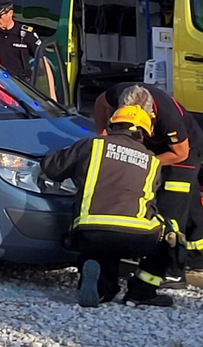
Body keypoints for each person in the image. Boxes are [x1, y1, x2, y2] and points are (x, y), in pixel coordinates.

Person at [42, 98, 175, 307]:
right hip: (135, 234)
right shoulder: (152, 161)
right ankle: (141, 292)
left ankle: (101, 288)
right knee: (170, 237)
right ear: (143, 133)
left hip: (89, 230)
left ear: (112, 125)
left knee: (99, 248)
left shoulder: (91, 145)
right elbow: (151, 199)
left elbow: (51, 169)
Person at [93, 82, 203, 274]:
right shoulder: (118, 92)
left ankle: (172, 270)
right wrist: (102, 136)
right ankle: (197, 256)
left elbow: (180, 153)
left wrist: (141, 162)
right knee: (191, 206)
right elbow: (99, 104)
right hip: (154, 148)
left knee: (172, 209)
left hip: (184, 153)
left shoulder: (169, 119)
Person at [0, 0, 42, 82]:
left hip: (21, 85)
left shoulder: (25, 34)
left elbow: (42, 61)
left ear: (10, 13)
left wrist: (51, 92)